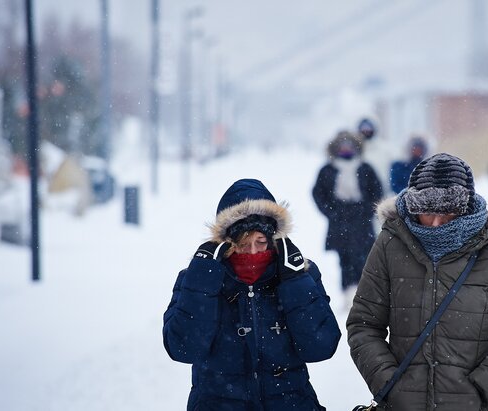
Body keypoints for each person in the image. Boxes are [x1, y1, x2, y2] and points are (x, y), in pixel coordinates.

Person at [347, 153, 488, 411]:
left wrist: (482, 387)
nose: (437, 223)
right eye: (427, 212)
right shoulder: (389, 244)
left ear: (464, 210)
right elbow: (364, 326)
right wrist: (390, 385)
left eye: (448, 213)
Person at [163, 178, 341, 410]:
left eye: (261, 242)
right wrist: (202, 279)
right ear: (226, 243)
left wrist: (296, 281)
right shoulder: (197, 277)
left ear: (273, 240)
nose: (253, 252)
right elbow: (182, 349)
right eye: (243, 244)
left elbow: (321, 347)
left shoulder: (299, 274)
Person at [312, 130, 383, 308]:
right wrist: (332, 212)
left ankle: (364, 295)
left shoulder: (365, 168)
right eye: (342, 146)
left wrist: (367, 210)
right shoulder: (327, 169)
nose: (345, 149)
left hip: (362, 222)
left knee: (365, 259)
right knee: (344, 260)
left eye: (349, 146)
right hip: (339, 222)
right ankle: (347, 295)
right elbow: (318, 194)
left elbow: (377, 192)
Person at [358, 117, 393, 196]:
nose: (366, 131)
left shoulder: (384, 149)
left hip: (382, 191)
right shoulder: (356, 150)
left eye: (368, 128)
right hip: (362, 194)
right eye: (363, 129)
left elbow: (389, 171)